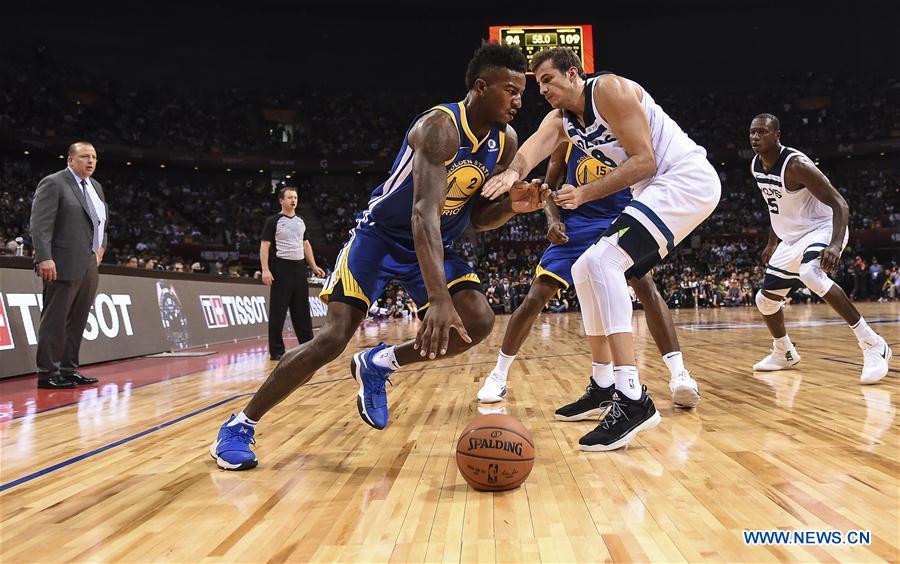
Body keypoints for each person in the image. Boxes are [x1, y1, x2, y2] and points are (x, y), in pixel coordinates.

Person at [210, 43, 548, 470]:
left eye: (521, 93)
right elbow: (421, 214)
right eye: (510, 91)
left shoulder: (505, 141)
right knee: (332, 338)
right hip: (382, 238)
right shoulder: (440, 127)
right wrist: (437, 298)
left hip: (434, 244)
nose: (518, 102)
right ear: (481, 88)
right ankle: (239, 425)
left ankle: (378, 363)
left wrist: (512, 208)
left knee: (477, 322)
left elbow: (478, 218)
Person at [481, 48, 721, 451]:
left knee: (605, 261)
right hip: (656, 190)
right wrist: (511, 175)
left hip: (685, 181)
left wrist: (584, 193)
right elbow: (533, 148)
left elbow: (644, 161)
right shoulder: (562, 120)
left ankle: (631, 396)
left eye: (547, 80)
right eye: (539, 84)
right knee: (584, 268)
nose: (543, 90)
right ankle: (604, 384)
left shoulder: (608, 90)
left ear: (574, 74)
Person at [477, 142, 702, 410]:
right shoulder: (567, 139)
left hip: (620, 220)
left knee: (645, 286)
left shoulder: (626, 134)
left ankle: (679, 375)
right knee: (535, 298)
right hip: (577, 224)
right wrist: (552, 220)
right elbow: (549, 189)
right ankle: (498, 375)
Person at [747, 114, 891, 383]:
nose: (755, 137)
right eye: (753, 132)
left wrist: (835, 244)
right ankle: (784, 352)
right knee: (764, 301)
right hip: (792, 238)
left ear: (777, 135)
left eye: (762, 132)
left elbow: (840, 203)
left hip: (822, 228)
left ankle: (873, 344)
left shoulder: (796, 165)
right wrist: (772, 241)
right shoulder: (756, 165)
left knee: (810, 273)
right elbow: (775, 205)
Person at [30, 141, 108, 389]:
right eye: (85, 156)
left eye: (93, 157)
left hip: (89, 262)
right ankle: (48, 373)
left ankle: (68, 368)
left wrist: (101, 246)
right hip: (61, 261)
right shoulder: (54, 183)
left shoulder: (95, 186)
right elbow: (40, 223)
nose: (91, 161)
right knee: (55, 319)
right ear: (70, 160)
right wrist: (44, 256)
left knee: (78, 320)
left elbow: (101, 221)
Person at [260, 187, 326, 361]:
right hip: (281, 267)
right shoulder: (273, 221)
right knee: (278, 311)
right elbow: (265, 245)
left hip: (299, 268)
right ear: (281, 200)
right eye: (289, 197)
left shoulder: (301, 220)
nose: (293, 200)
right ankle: (276, 350)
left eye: (295, 197)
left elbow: (306, 244)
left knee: (302, 310)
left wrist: (313, 266)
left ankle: (308, 345)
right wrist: (265, 269)